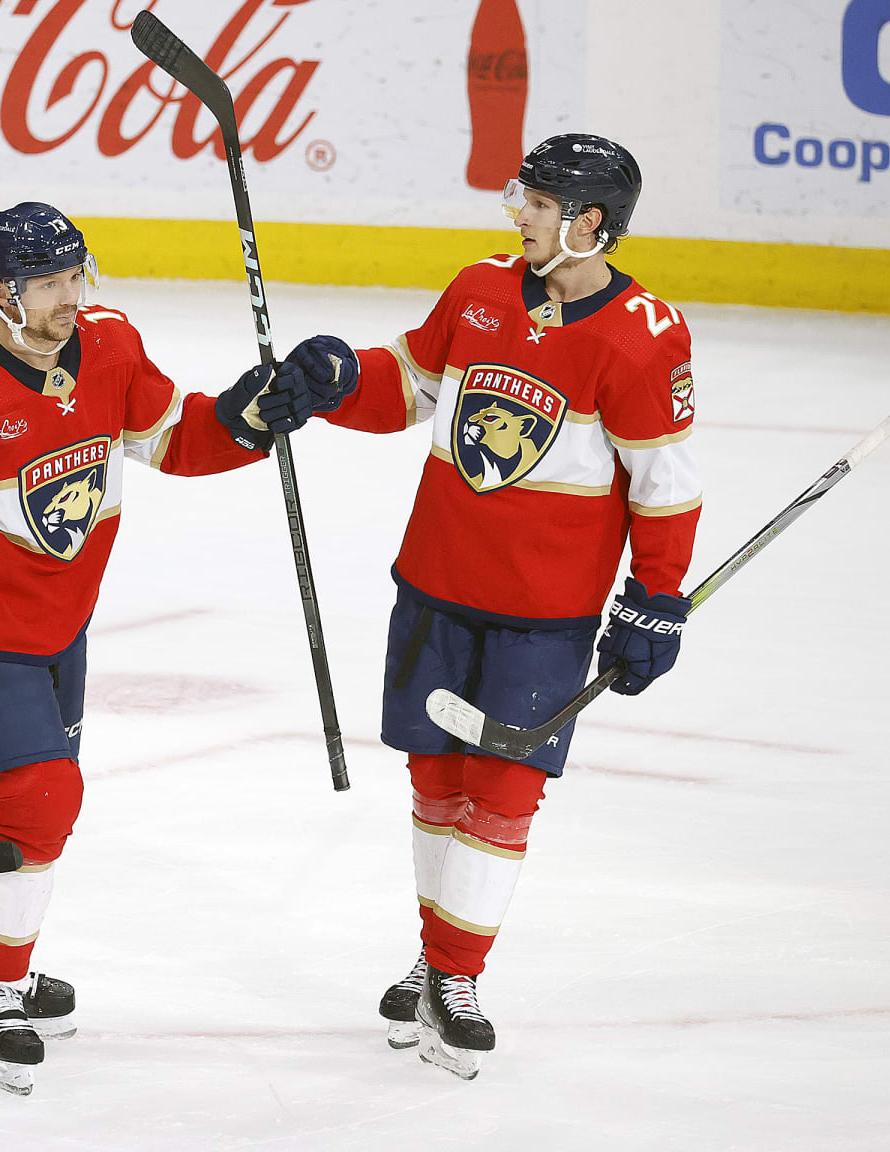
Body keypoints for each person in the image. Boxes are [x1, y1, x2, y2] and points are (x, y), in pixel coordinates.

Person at [0, 201, 314, 1096]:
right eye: (50, 283)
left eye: (75, 276)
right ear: (1, 290)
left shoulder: (109, 345)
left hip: (62, 628)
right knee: (44, 796)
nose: (70, 296)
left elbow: (176, 436)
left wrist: (257, 417)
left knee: (2, 802)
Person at [279, 134, 701, 1080]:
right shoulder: (478, 287)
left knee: (504, 793)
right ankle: (436, 955)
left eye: (539, 202)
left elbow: (662, 484)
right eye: (524, 194)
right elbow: (414, 384)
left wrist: (658, 599)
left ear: (589, 223)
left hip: (543, 615)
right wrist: (338, 382)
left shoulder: (644, 334)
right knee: (436, 781)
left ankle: (456, 975)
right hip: (434, 583)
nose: (518, 212)